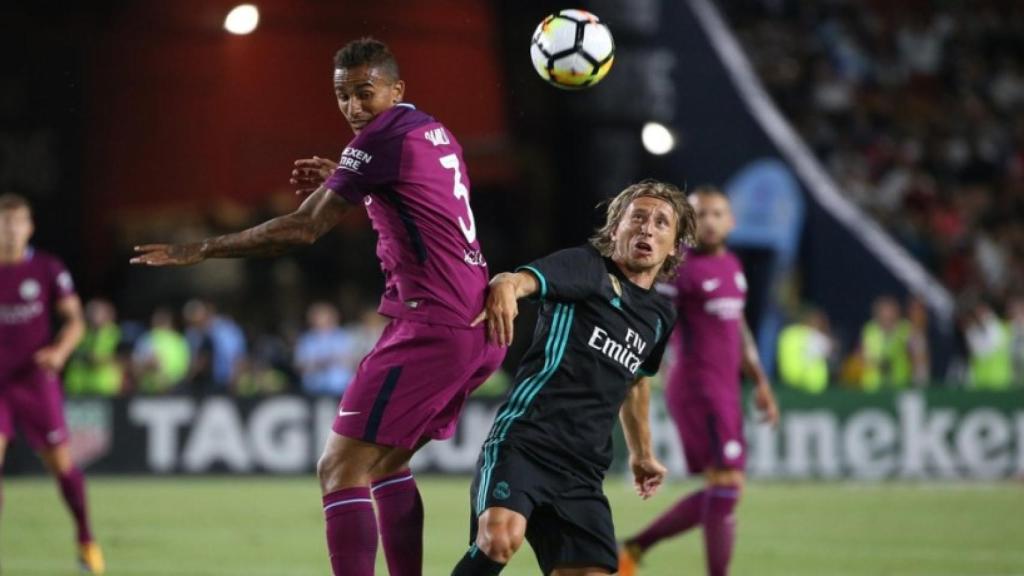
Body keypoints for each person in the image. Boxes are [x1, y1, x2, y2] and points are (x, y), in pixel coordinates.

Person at [131, 37, 504, 575]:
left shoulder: (379, 141)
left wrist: (204, 247)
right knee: (386, 465)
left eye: (365, 93)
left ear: (396, 89)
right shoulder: (430, 130)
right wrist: (357, 181)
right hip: (476, 324)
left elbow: (304, 227)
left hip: (433, 324)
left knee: (339, 467)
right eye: (342, 95)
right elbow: (421, 201)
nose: (353, 107)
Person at [451, 180, 697, 575]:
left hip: (582, 471)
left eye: (661, 222)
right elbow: (522, 280)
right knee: (499, 538)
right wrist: (505, 285)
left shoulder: (659, 316)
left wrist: (642, 453)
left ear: (674, 244)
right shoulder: (587, 269)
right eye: (637, 217)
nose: (647, 228)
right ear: (615, 228)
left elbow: (636, 381)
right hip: (527, 443)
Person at [619, 186, 779, 576]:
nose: (709, 221)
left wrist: (759, 381)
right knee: (726, 485)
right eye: (700, 214)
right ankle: (643, 550)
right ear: (689, 224)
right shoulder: (681, 268)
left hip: (725, 388)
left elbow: (737, 325)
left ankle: (634, 548)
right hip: (696, 386)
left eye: (716, 213)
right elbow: (652, 318)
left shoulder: (733, 267)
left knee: (725, 490)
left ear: (731, 221)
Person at [0, 194, 105, 573]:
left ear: (29, 228)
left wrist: (60, 352)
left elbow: (75, 320)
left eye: (17, 223)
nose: (10, 230)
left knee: (62, 466)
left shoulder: (47, 268)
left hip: (34, 380)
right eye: (4, 223)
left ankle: (86, 539)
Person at [294, 301, 358, 396]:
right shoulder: (306, 339)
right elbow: (299, 366)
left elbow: (356, 362)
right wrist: (316, 363)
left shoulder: (345, 336)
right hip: (314, 388)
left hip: (341, 387)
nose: (324, 320)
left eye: (327, 317)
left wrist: (342, 360)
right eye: (319, 317)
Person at [860, 296, 912, 391]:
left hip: (900, 383)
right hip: (874, 385)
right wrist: (878, 364)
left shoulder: (905, 328)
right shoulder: (870, 329)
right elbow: (865, 356)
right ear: (878, 313)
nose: (888, 315)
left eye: (891, 311)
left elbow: (913, 354)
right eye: (885, 311)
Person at [776, 307, 832, 394]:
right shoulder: (815, 337)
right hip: (811, 386)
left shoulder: (786, 333)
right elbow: (831, 350)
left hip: (788, 382)